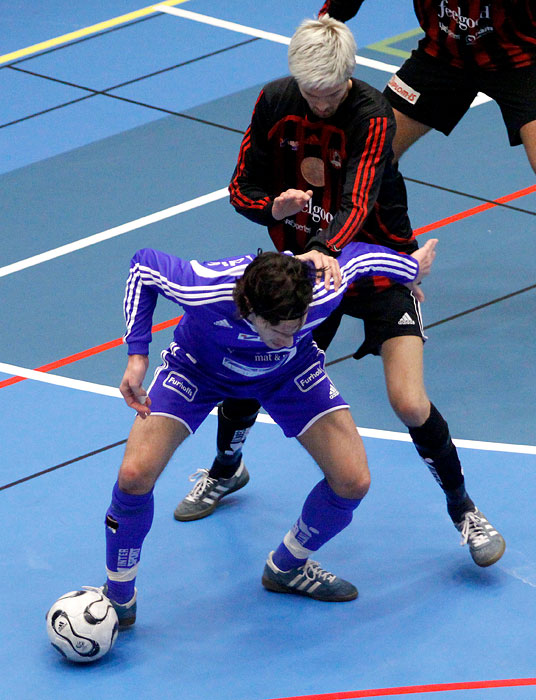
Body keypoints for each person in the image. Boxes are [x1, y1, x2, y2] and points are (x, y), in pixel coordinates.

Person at [173, 15, 506, 570]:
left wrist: (328, 248)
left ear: (348, 78)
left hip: (372, 264)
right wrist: (269, 209)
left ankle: (464, 510)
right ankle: (226, 469)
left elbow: (357, 201)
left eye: (330, 94)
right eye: (311, 94)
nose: (321, 105)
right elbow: (240, 187)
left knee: (408, 400)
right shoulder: (275, 102)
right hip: (306, 267)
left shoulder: (371, 115)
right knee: (253, 367)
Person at [101, 238, 435, 626]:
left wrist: (412, 269)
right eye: (278, 329)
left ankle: (287, 567)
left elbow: (362, 258)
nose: (287, 336)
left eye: (297, 326)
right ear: (249, 309)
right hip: (198, 370)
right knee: (133, 475)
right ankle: (120, 598)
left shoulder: (320, 290)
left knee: (353, 480)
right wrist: (137, 354)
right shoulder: (206, 287)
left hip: (288, 374)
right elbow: (144, 265)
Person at [318, 0, 536, 168]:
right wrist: (328, 21)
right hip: (442, 57)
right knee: (367, 153)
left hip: (523, 60)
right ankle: (387, 226)